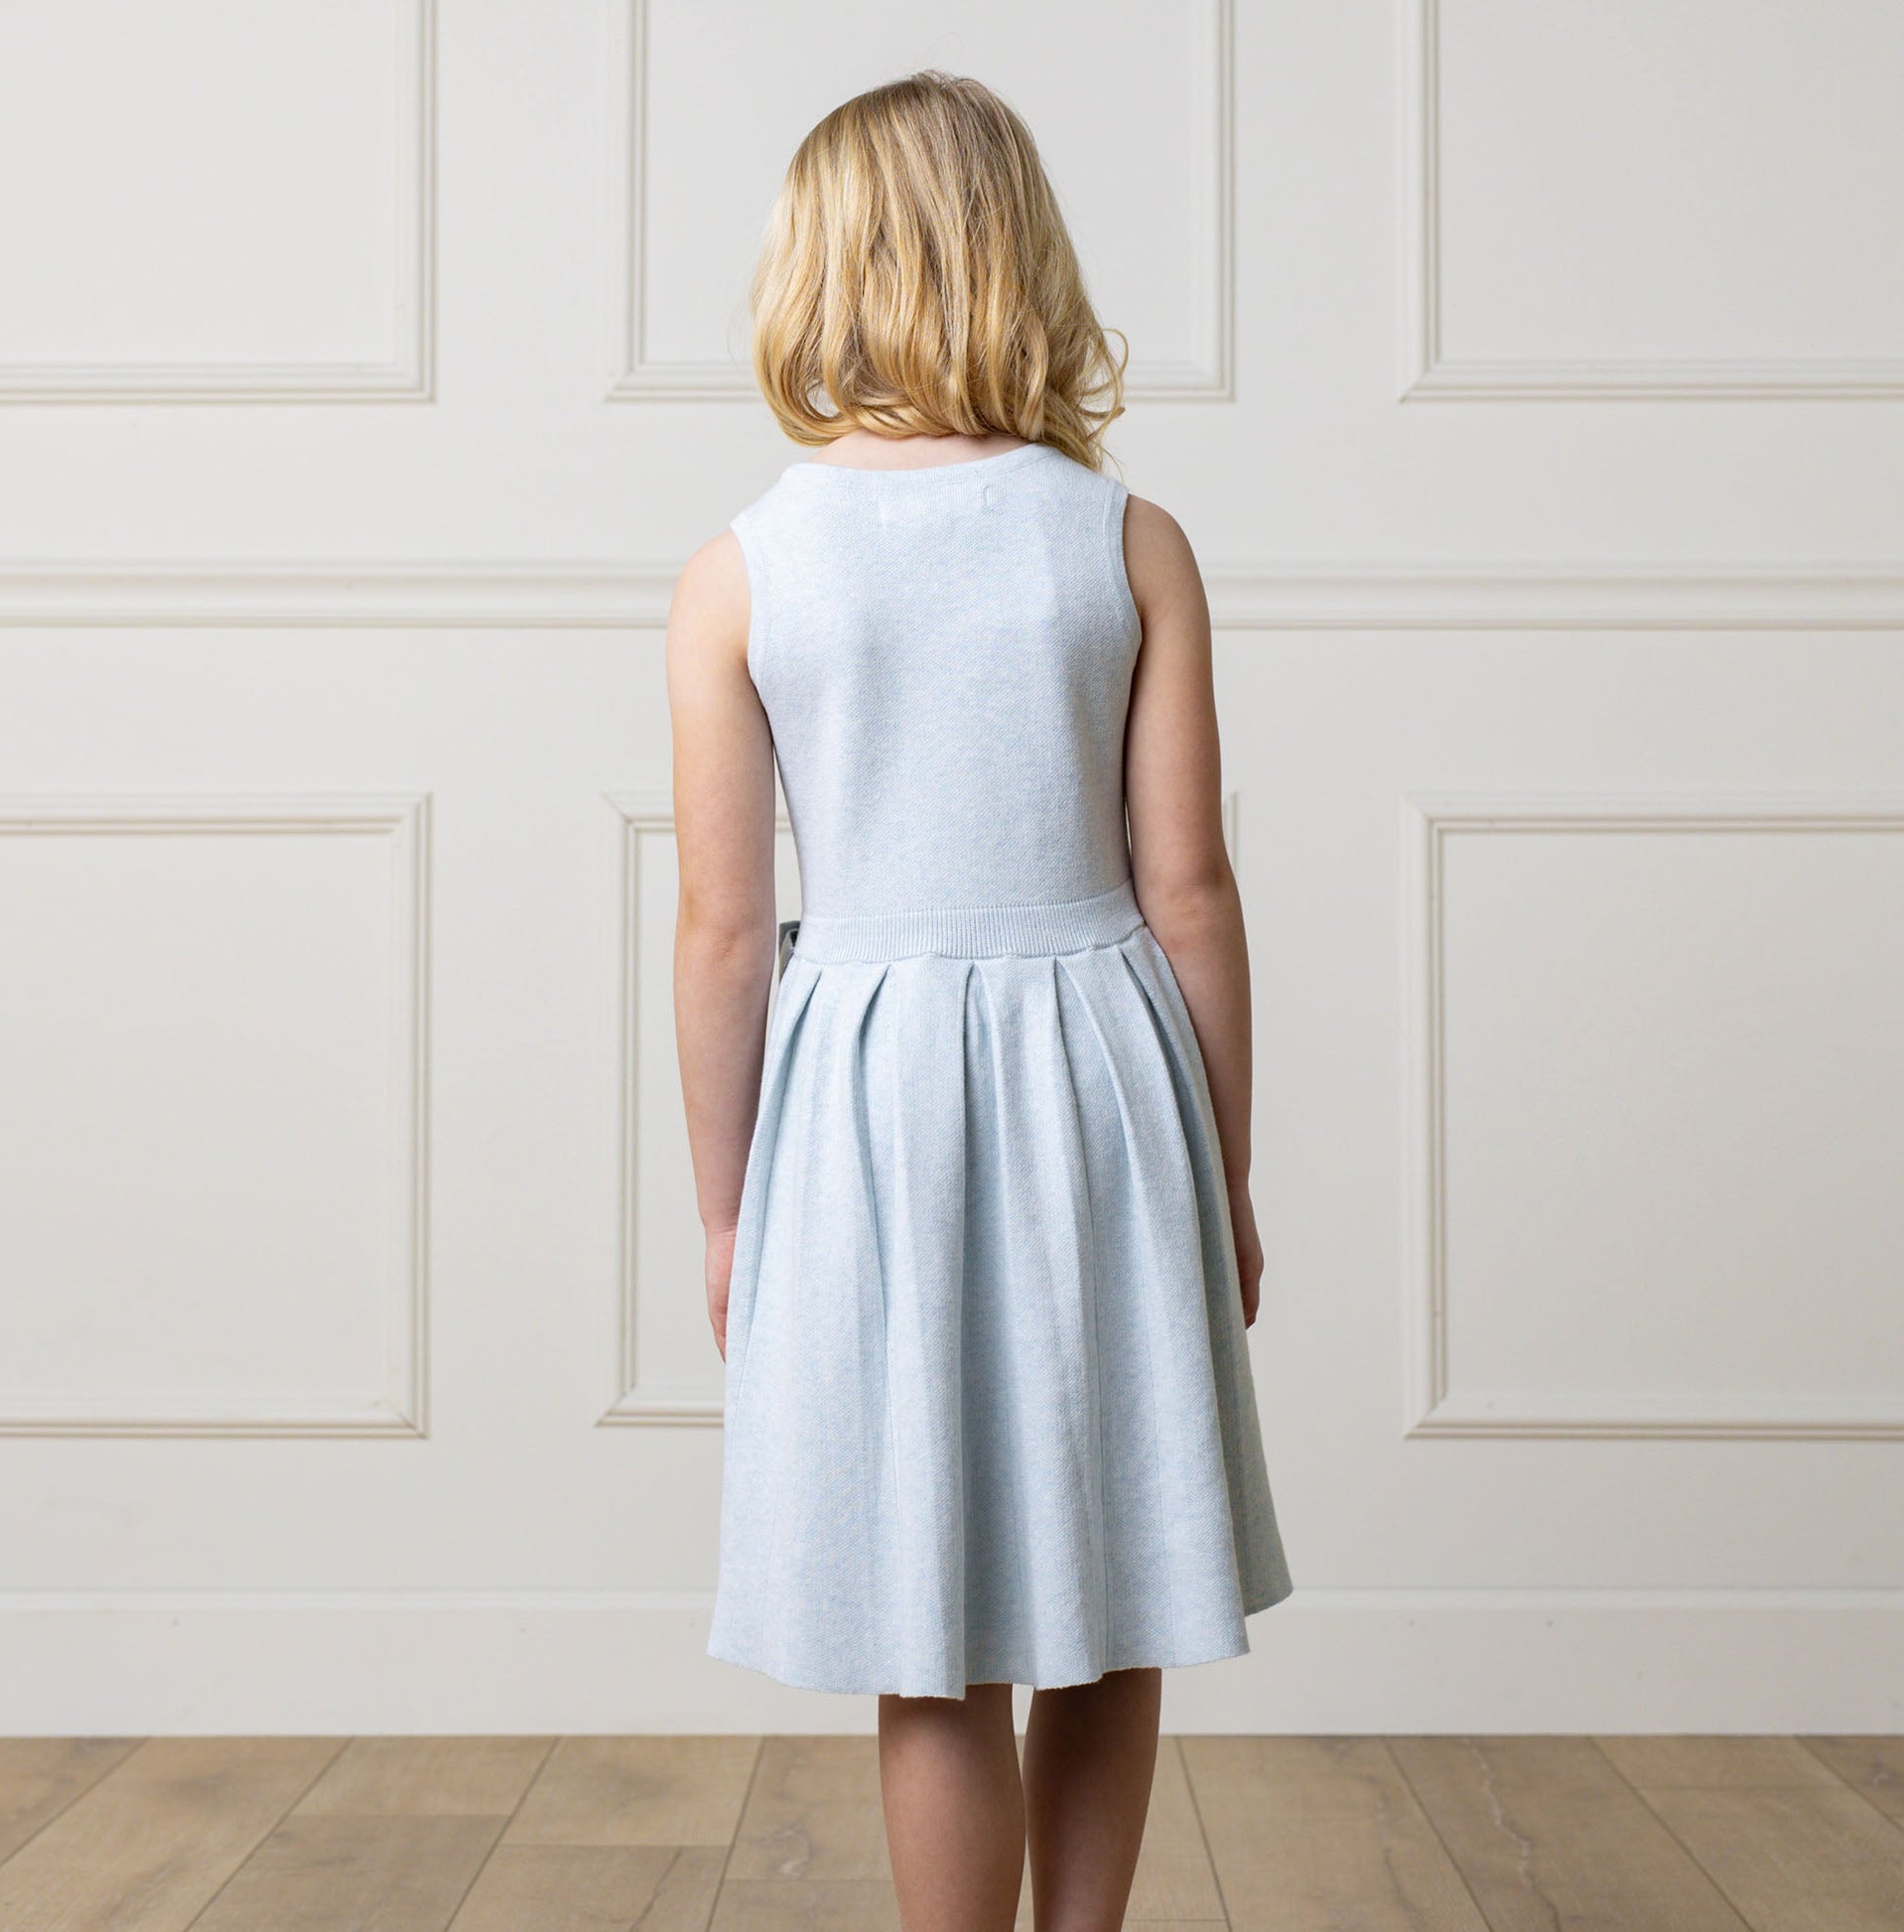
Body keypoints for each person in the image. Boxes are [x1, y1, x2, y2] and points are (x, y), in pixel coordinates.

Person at [666, 69, 1292, 1932]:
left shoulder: (739, 573)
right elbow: (1187, 884)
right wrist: (1225, 1167)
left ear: (812, 271)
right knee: (1118, 1571)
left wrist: (723, 1205)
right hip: (1100, 1071)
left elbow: (720, 926)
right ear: (1024, 260)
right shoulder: (1124, 541)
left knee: (922, 1617)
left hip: (858, 1097)